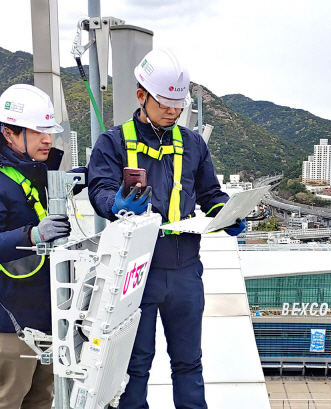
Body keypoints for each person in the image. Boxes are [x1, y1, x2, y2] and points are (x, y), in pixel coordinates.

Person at [87, 48, 245, 409]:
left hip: (186, 267)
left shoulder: (192, 143)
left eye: (178, 104)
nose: (173, 111)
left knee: (189, 362)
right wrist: (116, 205)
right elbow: (100, 190)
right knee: (134, 367)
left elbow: (210, 193)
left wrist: (227, 214)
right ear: (141, 95)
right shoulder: (113, 142)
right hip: (136, 270)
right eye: (165, 104)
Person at [0, 84, 75, 409]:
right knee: (9, 399)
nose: (48, 139)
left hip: (44, 318)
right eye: (38, 131)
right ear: (9, 134)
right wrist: (31, 236)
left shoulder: (36, 174)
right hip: (9, 327)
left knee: (41, 400)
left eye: (50, 131)